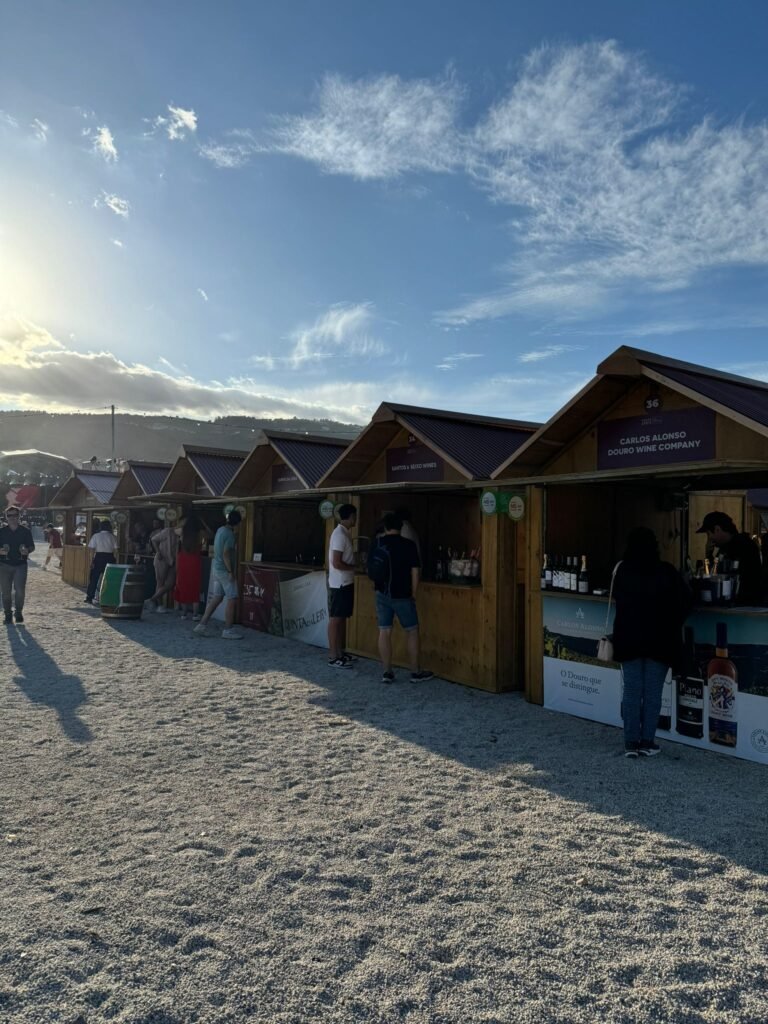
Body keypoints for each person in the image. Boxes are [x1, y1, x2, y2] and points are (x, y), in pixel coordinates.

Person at [613, 527, 692, 758]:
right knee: (653, 693)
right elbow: (685, 601)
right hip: (660, 640)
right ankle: (648, 741)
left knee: (632, 691)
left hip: (629, 639)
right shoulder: (666, 571)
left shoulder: (622, 571)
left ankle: (630, 743)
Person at [372, 512, 434, 684]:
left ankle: (387, 671)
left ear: (385, 527)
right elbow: (415, 571)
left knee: (384, 631)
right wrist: (413, 593)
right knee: (412, 631)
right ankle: (415, 672)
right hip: (403, 594)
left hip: (381, 593)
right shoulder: (409, 545)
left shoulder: (377, 543)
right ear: (401, 527)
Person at [696, 511, 763, 606]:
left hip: (745, 605)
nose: (709, 538)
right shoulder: (725, 548)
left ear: (717, 529)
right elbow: (713, 574)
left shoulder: (743, 545)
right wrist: (709, 555)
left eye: (709, 534)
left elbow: (725, 577)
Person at [194, 510, 242, 639]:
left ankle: (202, 625)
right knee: (232, 599)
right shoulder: (230, 535)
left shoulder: (220, 530)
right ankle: (228, 630)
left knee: (217, 597)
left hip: (216, 568)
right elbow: (226, 553)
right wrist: (231, 571)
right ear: (237, 523)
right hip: (225, 571)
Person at [327, 503, 357, 669]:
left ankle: (339, 652)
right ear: (352, 516)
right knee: (335, 619)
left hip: (345, 582)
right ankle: (332, 655)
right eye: (355, 516)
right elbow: (336, 562)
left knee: (341, 618)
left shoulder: (344, 533)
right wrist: (354, 567)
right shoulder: (339, 535)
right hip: (340, 583)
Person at [0, 505, 35, 624]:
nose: (13, 518)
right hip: (4, 565)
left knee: (20, 590)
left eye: (15, 515)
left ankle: (18, 612)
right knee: (6, 591)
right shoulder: (1, 531)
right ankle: (8, 614)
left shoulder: (25, 531)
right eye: (10, 515)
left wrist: (27, 551)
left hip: (20, 564)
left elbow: (32, 546)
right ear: (6, 517)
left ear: (19, 516)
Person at [175, 510, 211, 620]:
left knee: (183, 584)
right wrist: (203, 522)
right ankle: (195, 614)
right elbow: (211, 534)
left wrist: (183, 522)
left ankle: (184, 613)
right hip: (195, 559)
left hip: (183, 559)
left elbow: (174, 529)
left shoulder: (182, 531)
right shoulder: (200, 533)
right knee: (195, 585)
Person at [146, 518, 179, 613]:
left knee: (170, 583)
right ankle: (159, 605)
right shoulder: (168, 531)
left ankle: (151, 600)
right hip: (162, 559)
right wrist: (158, 552)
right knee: (160, 582)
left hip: (173, 561)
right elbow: (154, 539)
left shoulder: (182, 535)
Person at [85, 520, 118, 605]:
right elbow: (116, 550)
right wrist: (115, 560)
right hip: (110, 557)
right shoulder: (112, 537)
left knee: (94, 578)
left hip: (99, 557)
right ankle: (109, 597)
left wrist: (91, 561)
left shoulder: (96, 536)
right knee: (110, 579)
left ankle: (89, 597)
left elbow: (92, 549)